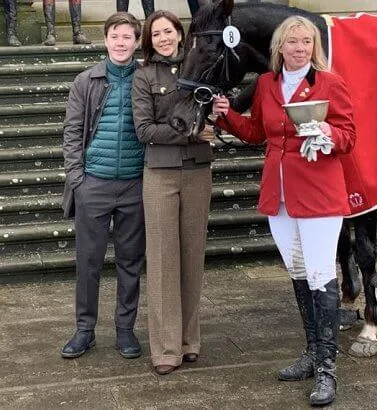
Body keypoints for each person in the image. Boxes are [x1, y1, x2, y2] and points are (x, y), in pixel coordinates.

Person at [212, 15, 356, 406]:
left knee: (320, 273)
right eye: (293, 42)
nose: (300, 48)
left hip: (319, 194)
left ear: (314, 47)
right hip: (279, 196)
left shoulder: (330, 83)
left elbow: (349, 137)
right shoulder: (265, 84)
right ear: (279, 47)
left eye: (306, 42)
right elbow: (258, 132)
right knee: (297, 272)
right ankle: (312, 352)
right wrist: (226, 113)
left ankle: (328, 369)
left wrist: (328, 133)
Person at [132, 9, 214, 376]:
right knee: (164, 260)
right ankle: (166, 347)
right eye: (156, 34)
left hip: (198, 172)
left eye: (169, 31)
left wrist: (219, 115)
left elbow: (213, 112)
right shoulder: (144, 76)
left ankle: (189, 340)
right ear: (149, 41)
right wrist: (192, 132)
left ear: (181, 34)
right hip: (160, 174)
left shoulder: (200, 70)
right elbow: (145, 130)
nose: (164, 38)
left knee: (192, 257)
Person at [61, 12, 145, 359]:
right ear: (106, 40)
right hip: (93, 184)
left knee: (130, 262)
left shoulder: (147, 79)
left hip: (135, 186)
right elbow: (71, 132)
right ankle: (85, 330)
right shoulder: (86, 81)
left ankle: (125, 330)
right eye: (115, 36)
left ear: (138, 41)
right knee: (89, 262)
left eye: (128, 36)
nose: (121, 42)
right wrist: (78, 180)